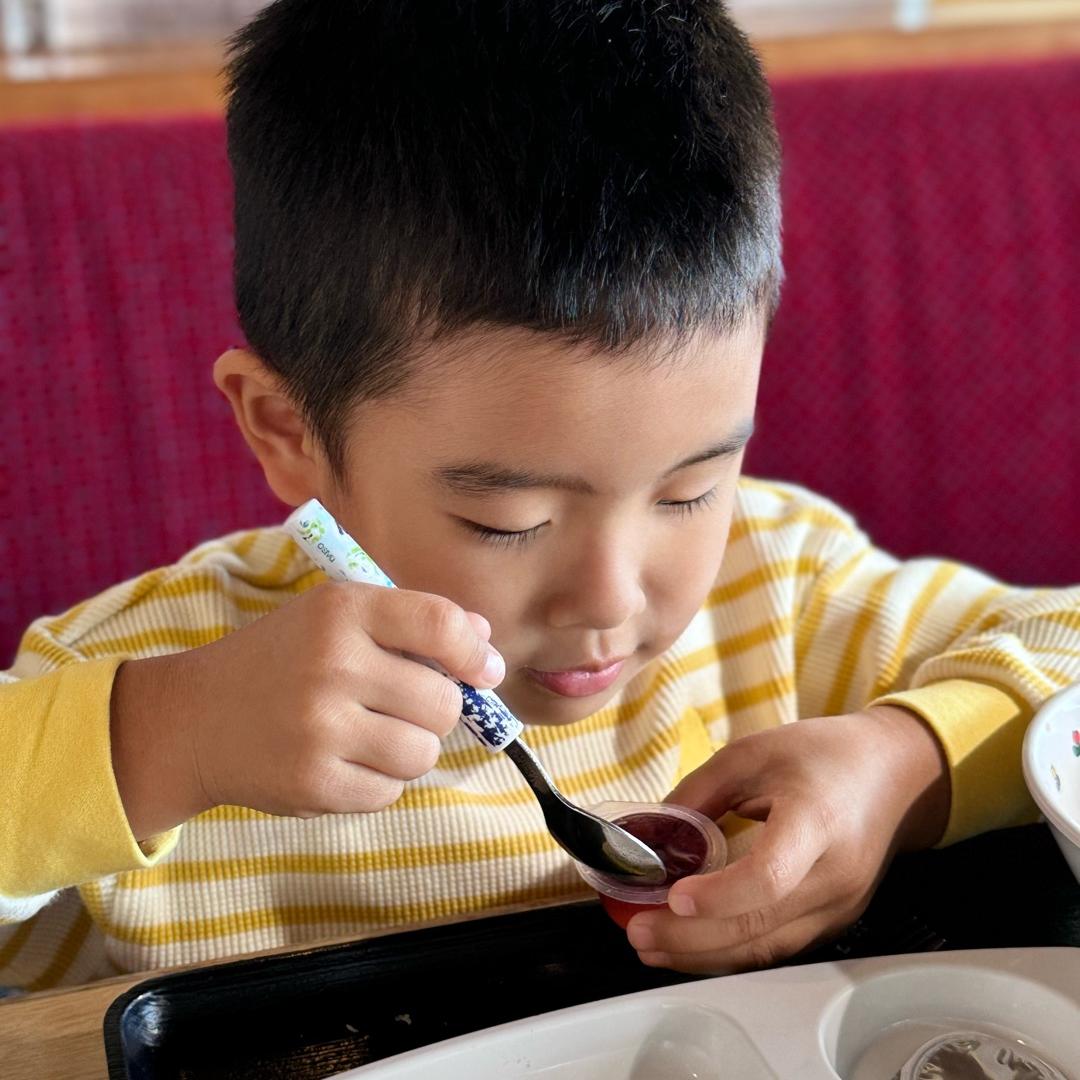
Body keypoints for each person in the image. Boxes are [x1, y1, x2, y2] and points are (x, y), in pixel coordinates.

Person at [2, 0, 1077, 993]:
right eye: (506, 520)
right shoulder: (150, 672)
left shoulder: (779, 587)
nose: (609, 597)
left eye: (691, 490)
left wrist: (907, 764)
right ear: (288, 431)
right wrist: (161, 741)